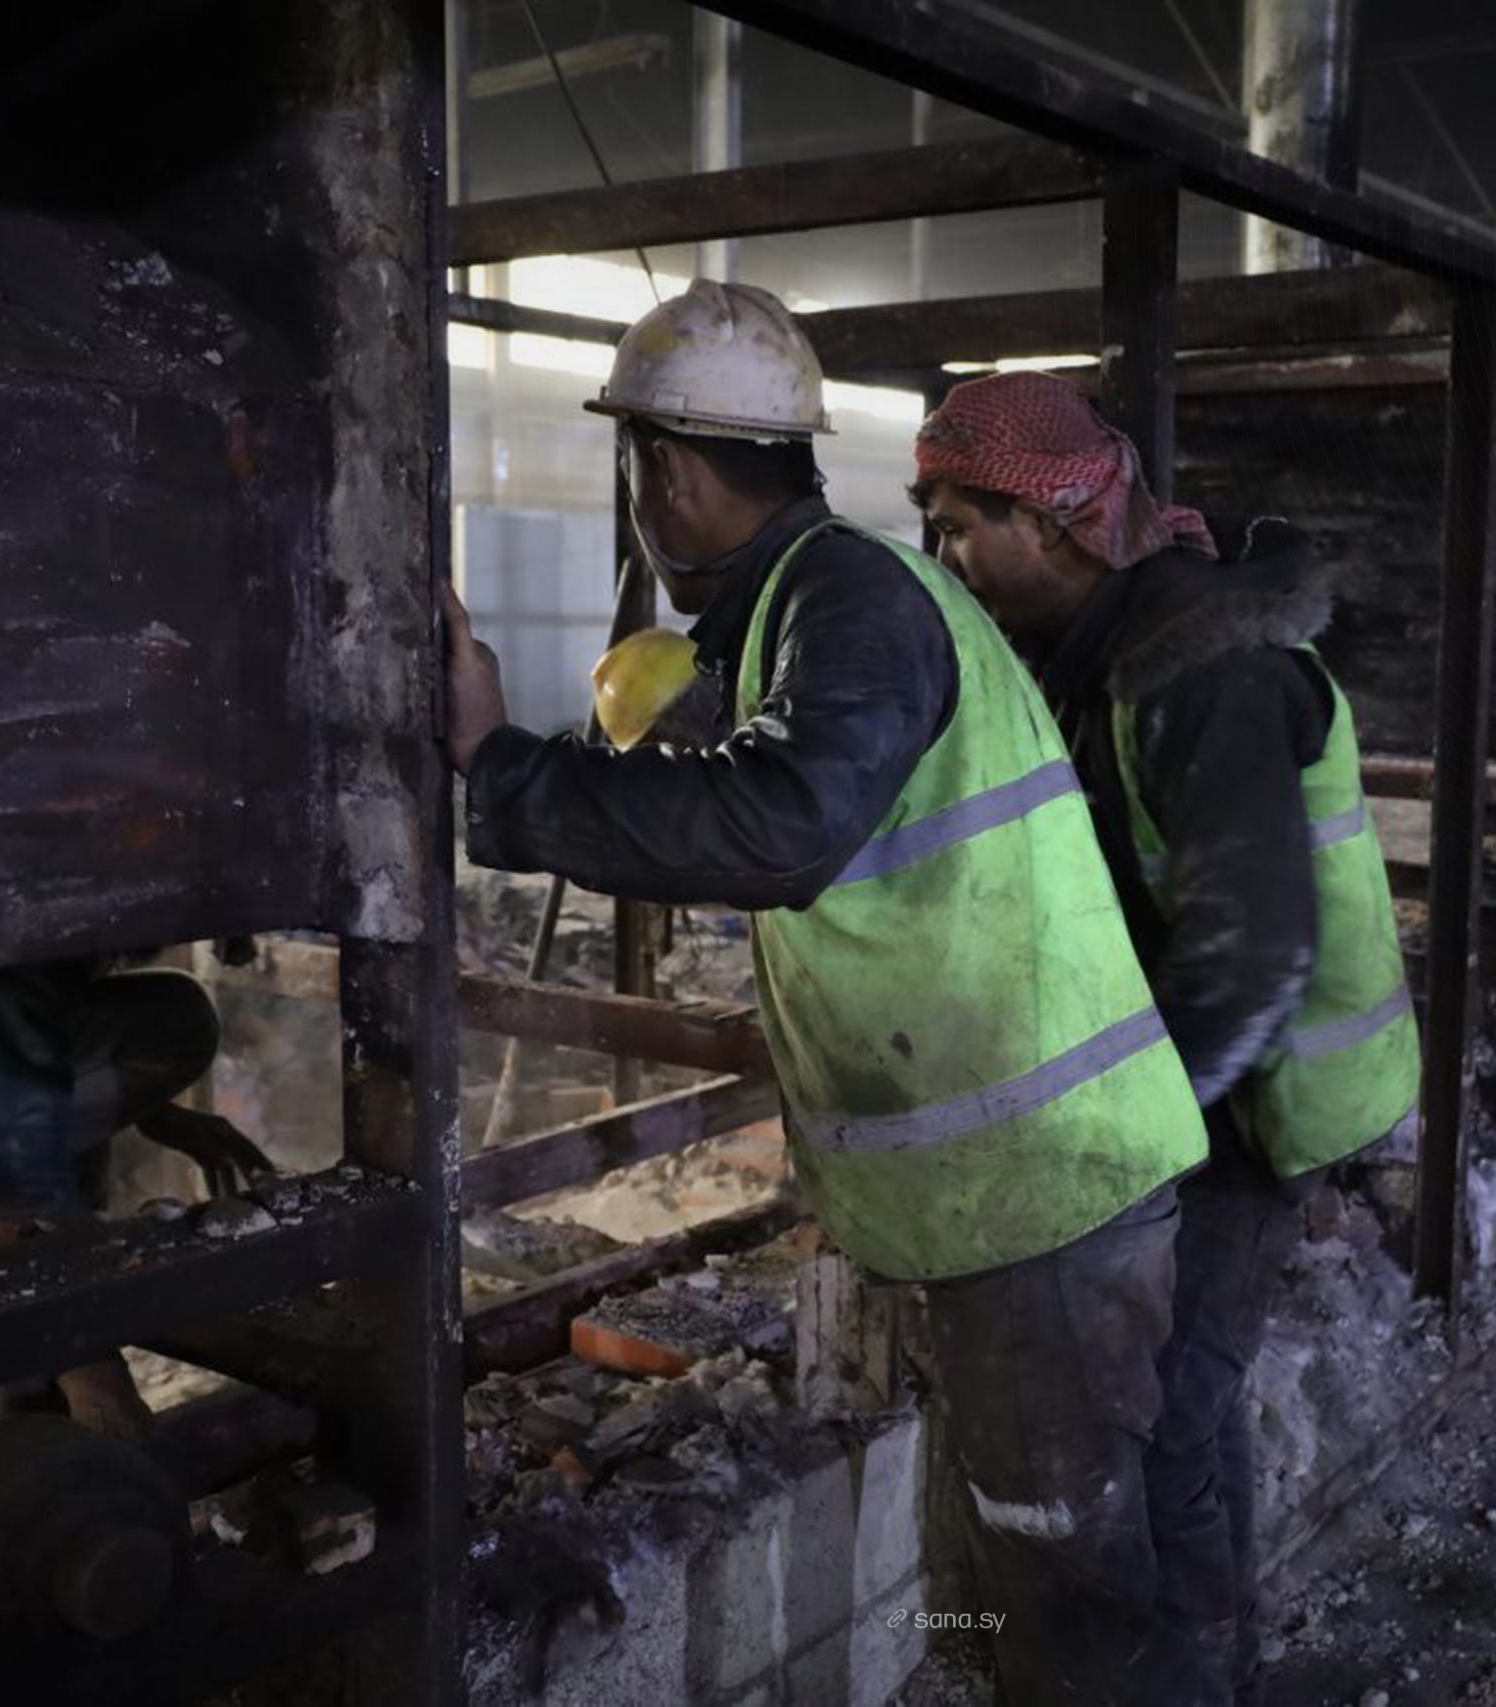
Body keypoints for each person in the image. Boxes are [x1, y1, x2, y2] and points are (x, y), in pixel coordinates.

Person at [440, 282, 1218, 1703]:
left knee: (1069, 1596)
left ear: (665, 470)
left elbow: (784, 824)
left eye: (638, 467)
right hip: (1002, 1198)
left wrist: (498, 764)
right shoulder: (814, 603)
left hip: (1044, 1193)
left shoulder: (850, 597)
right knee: (996, 1570)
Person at [909, 371, 1423, 1701]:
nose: (945, 561)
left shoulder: (1202, 670)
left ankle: (1193, 1679)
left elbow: (1252, 954)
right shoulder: (1091, 657)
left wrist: (1125, 1143)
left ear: (1053, 523)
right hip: (1175, 1095)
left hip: (1240, 1111)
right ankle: (1207, 1663)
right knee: (1181, 1416)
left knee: (1175, 1420)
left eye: (958, 528)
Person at [0, 956, 273, 1435]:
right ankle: (41, 1385)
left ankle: (33, 1395)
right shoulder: (3, 945)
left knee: (127, 1036)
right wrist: (85, 1357)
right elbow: (10, 1113)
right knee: (173, 1023)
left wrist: (158, 1114)